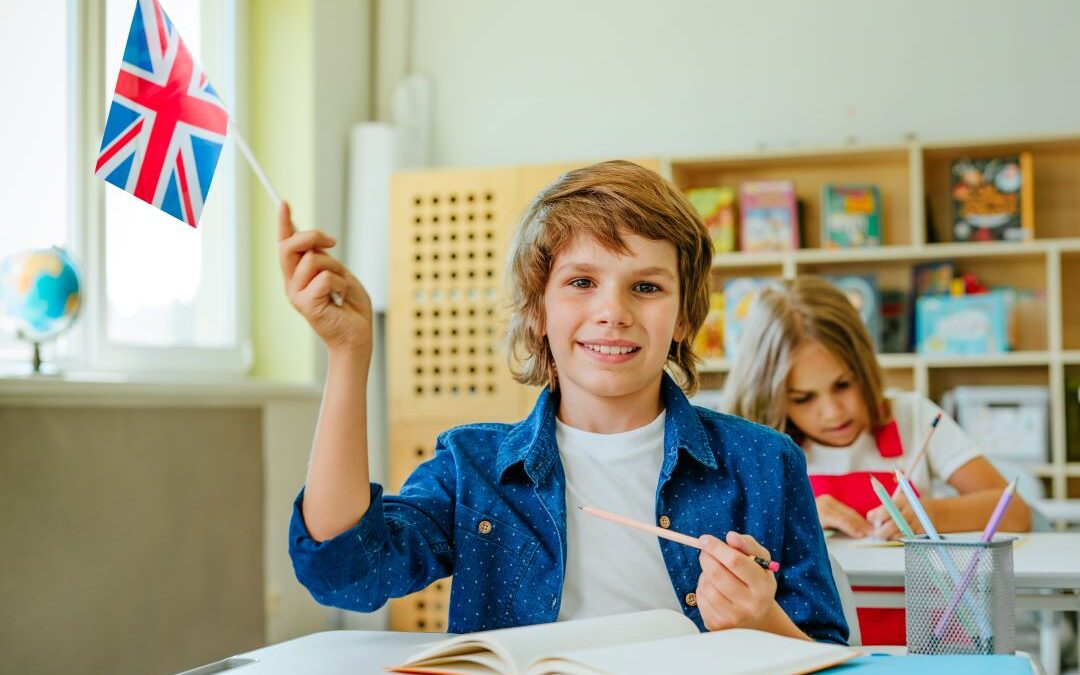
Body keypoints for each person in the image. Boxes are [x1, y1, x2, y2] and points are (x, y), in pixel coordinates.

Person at [280, 161, 847, 643]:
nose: (613, 311)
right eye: (581, 282)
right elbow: (346, 573)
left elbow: (827, 652)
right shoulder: (473, 467)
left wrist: (763, 621)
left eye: (646, 287)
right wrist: (349, 355)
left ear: (684, 319)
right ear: (537, 310)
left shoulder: (765, 462)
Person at [721, 275, 1031, 643]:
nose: (832, 411)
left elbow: (1015, 512)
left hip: (926, 639)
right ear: (770, 397)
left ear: (866, 366)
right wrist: (795, 520)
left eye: (843, 384)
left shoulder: (912, 416)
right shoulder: (761, 445)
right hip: (809, 644)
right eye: (804, 398)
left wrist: (929, 514)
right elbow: (727, 555)